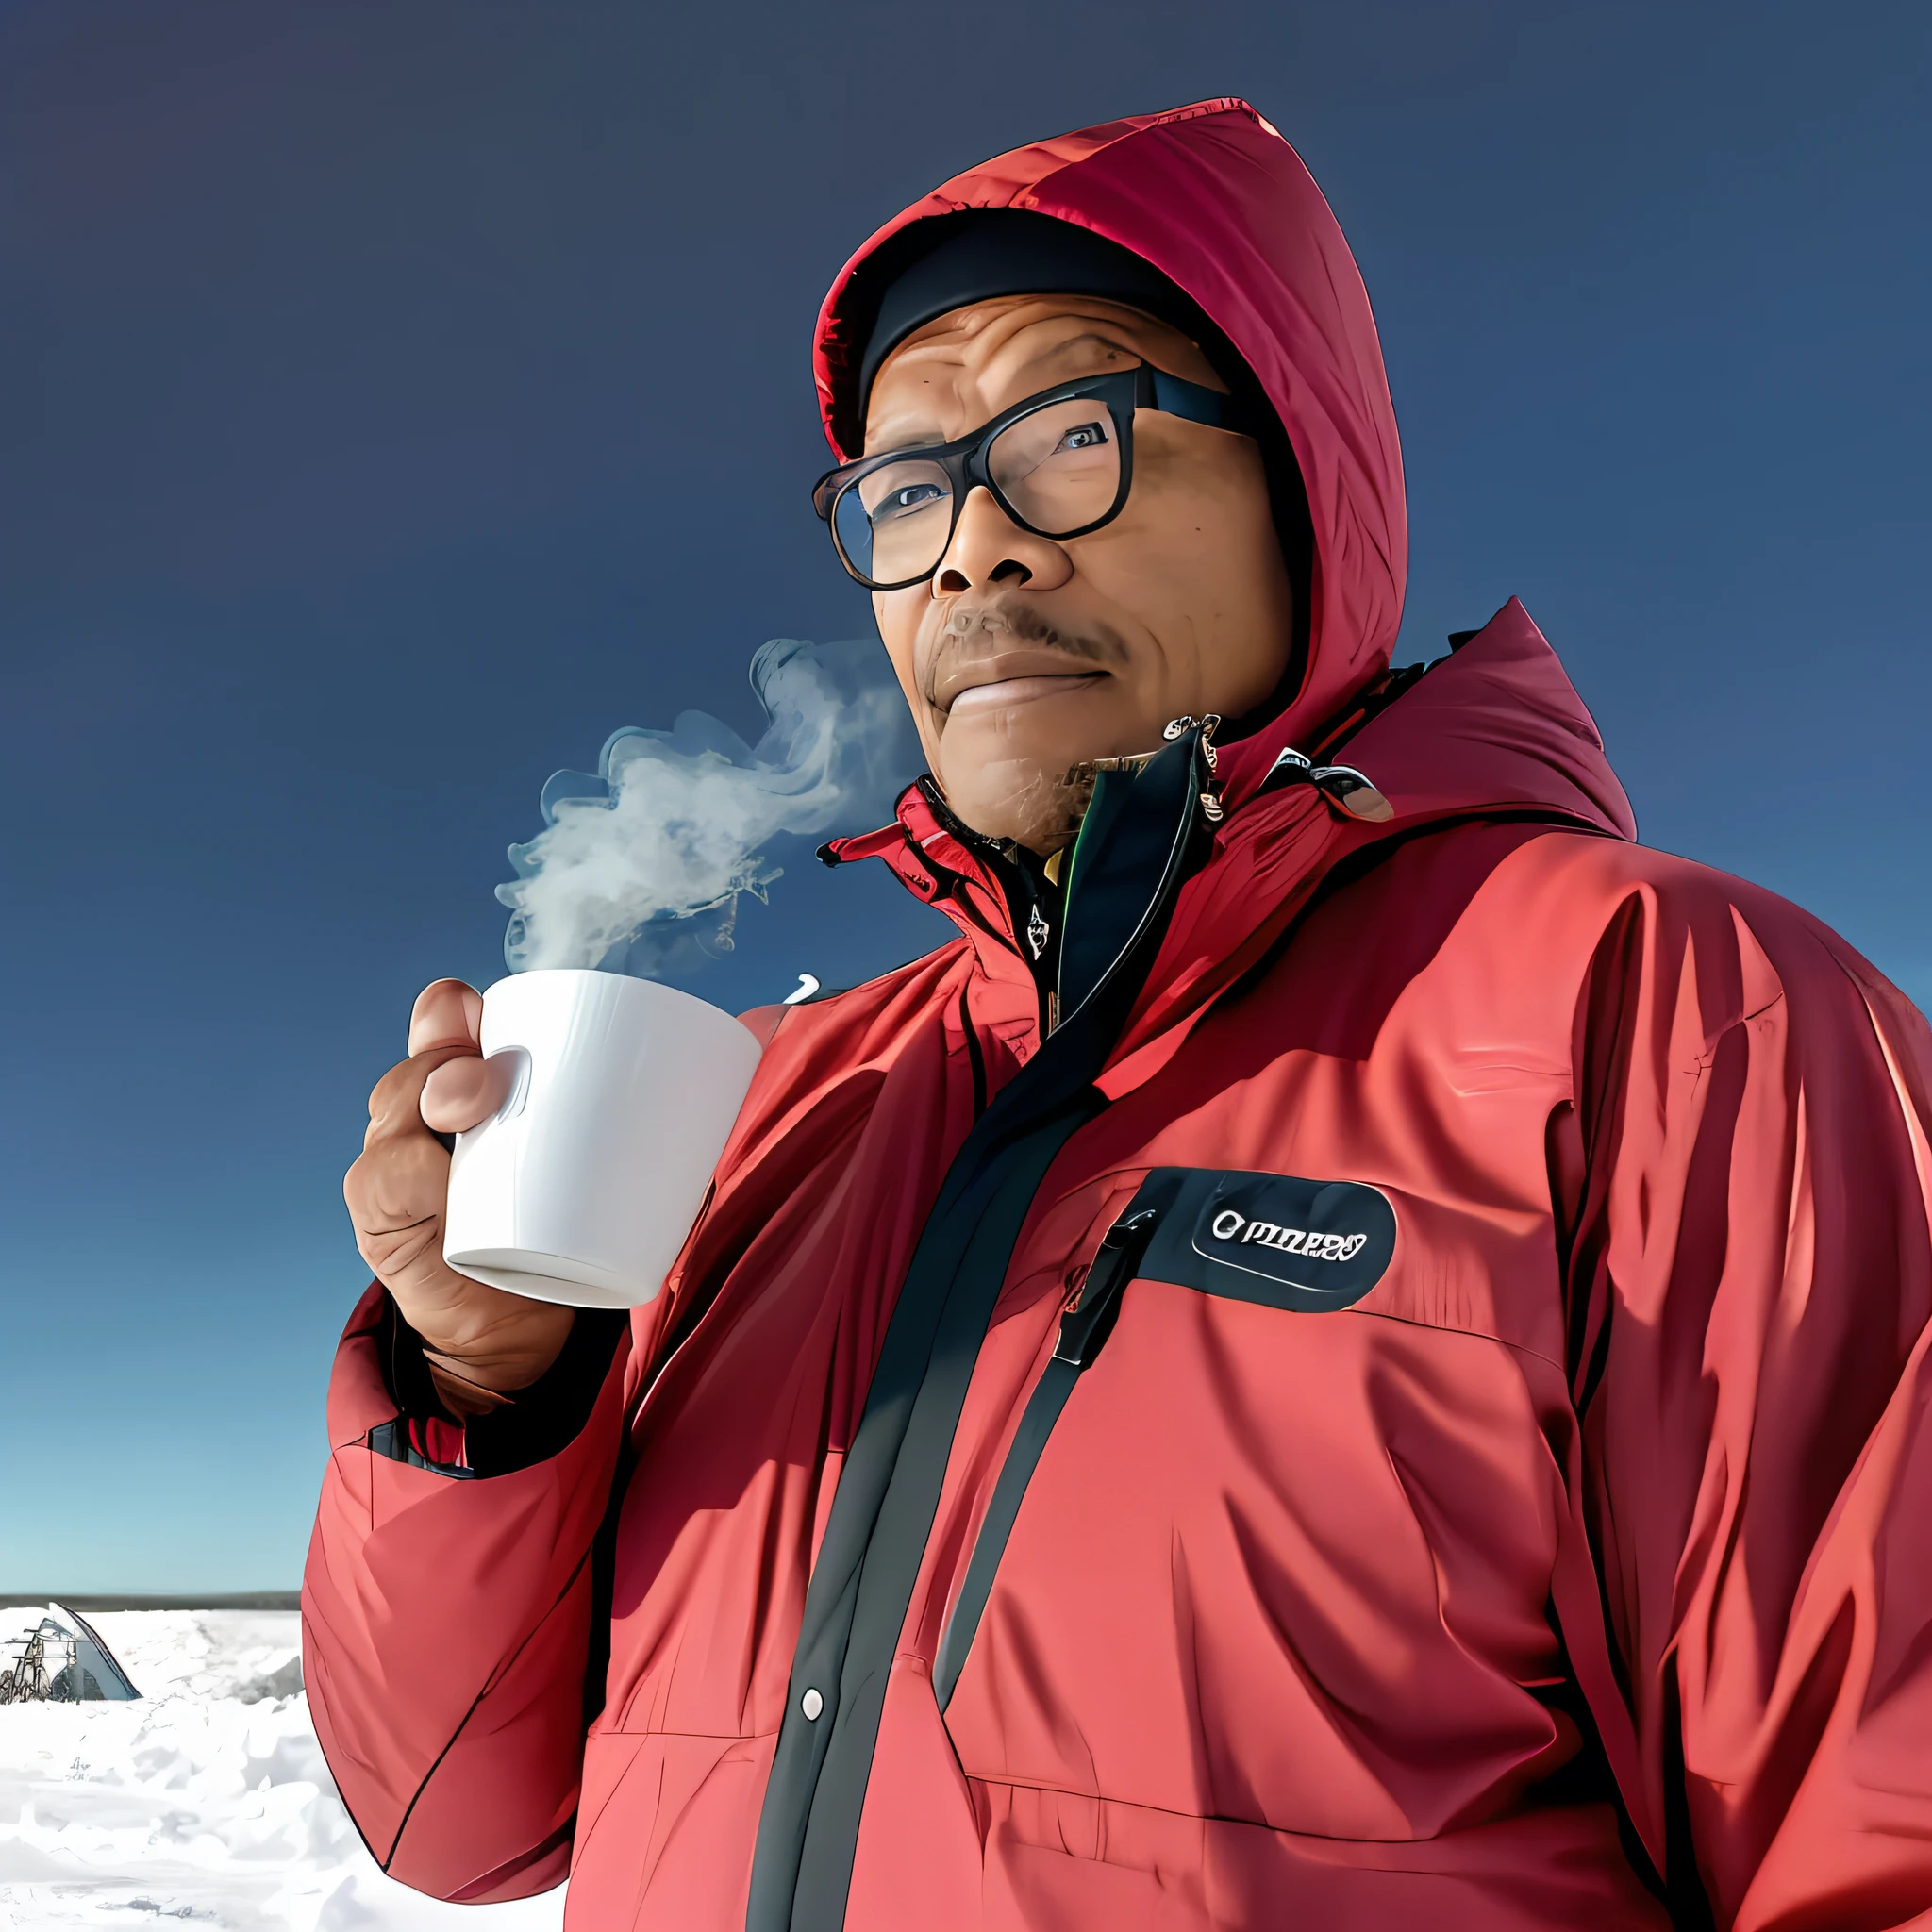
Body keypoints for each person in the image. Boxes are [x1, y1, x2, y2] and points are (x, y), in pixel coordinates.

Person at [307, 99, 1932, 1931]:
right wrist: (486, 1393)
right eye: (905, 487)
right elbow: (464, 1825)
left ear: (1308, 491)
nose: (972, 550)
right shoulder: (778, 1105)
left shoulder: (1655, 1019)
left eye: (1074, 431)